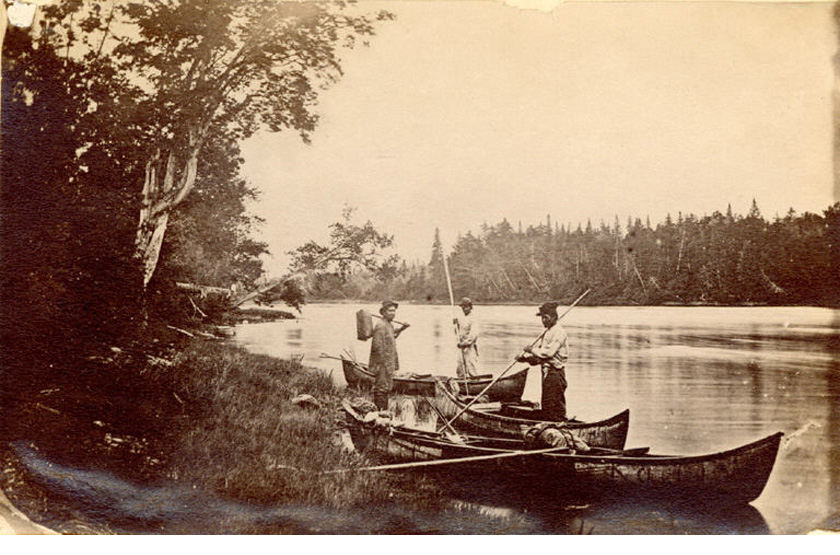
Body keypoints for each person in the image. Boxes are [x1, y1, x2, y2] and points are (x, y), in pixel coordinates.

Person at [516, 301, 569, 420]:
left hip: (555, 374)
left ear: (555, 318)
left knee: (555, 405)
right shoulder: (547, 333)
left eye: (546, 318)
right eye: (542, 318)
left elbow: (548, 353)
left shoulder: (559, 332)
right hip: (546, 373)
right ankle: (550, 425)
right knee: (547, 404)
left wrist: (531, 350)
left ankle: (560, 426)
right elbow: (539, 358)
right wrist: (524, 359)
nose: (544, 321)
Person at [369, 300, 408, 411]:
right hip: (382, 364)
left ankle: (383, 413)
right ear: (383, 312)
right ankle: (380, 413)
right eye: (390, 311)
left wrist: (401, 329)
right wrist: (383, 365)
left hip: (388, 364)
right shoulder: (380, 325)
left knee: (386, 388)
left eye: (394, 311)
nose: (393, 313)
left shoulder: (389, 325)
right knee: (381, 388)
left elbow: (393, 336)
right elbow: (377, 346)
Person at [453, 297, 479, 378]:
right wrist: (455, 324)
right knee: (460, 366)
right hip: (461, 346)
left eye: (465, 307)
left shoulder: (473, 318)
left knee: (471, 365)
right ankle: (462, 383)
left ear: (470, 307)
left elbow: (474, 334)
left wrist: (465, 343)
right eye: (462, 307)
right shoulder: (461, 318)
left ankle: (475, 382)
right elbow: (457, 332)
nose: (463, 309)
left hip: (469, 347)